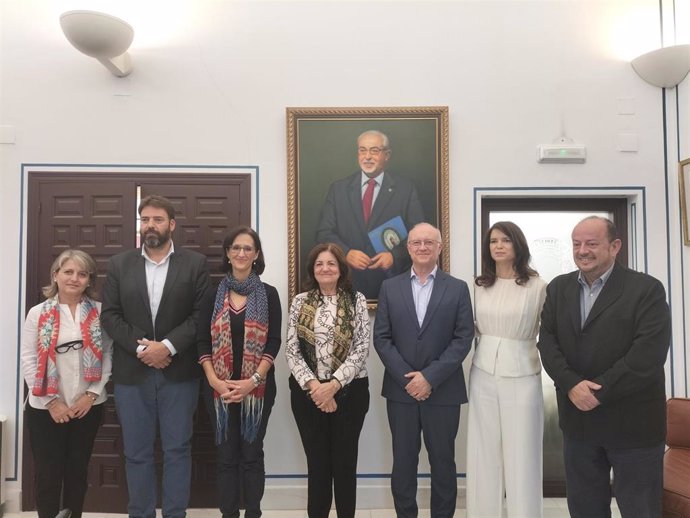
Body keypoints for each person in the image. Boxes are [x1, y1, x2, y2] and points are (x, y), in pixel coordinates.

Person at [537, 216, 671, 518]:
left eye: (592, 243)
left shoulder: (646, 289)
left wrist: (599, 392)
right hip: (579, 425)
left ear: (615, 246)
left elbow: (647, 355)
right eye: (577, 244)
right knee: (585, 509)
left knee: (640, 510)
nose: (582, 250)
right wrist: (572, 384)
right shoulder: (558, 289)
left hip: (633, 426)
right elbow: (547, 342)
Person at [101, 195, 210, 518]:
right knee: (136, 453)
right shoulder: (120, 264)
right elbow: (110, 316)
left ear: (171, 224)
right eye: (145, 219)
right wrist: (143, 349)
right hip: (132, 375)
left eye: (158, 219)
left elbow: (200, 314)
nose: (150, 225)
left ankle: (176, 514)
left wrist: (167, 347)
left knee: (178, 450)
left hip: (179, 375)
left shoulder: (195, 264)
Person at [374, 222, 474, 518]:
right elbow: (382, 338)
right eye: (416, 242)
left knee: (443, 463)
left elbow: (463, 337)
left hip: (443, 391)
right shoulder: (390, 287)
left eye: (429, 243)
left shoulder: (457, 288)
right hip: (401, 392)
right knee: (403, 462)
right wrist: (409, 379)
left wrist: (429, 377)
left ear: (439, 248)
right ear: (407, 248)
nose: (422, 248)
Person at [197, 226, 282, 518]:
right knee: (226, 458)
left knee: (251, 456)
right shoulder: (212, 295)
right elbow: (201, 341)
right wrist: (214, 381)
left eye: (248, 248)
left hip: (256, 390)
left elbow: (274, 341)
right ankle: (229, 514)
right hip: (217, 390)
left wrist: (252, 381)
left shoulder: (269, 295)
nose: (241, 253)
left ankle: (253, 513)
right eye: (236, 248)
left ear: (256, 254)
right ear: (228, 254)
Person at [21, 249, 113, 518]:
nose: (74, 278)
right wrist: (52, 402)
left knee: (76, 472)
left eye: (82, 274)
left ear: (89, 280)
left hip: (87, 406)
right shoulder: (38, 313)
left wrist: (92, 394)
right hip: (45, 408)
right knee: (48, 475)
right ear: (56, 275)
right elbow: (28, 358)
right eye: (68, 272)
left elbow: (108, 353)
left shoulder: (99, 312)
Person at [466, 221, 547, 518]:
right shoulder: (478, 285)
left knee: (522, 453)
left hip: (523, 373)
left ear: (518, 245)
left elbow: (548, 331)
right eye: (493, 241)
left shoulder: (537, 285)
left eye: (505, 240)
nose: (498, 246)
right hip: (483, 372)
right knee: (483, 451)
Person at [286, 243, 370, 518]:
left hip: (350, 393)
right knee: (318, 466)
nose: (325, 268)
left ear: (340, 269)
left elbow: (361, 349)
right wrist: (316, 389)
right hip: (308, 394)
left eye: (331, 263)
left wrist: (333, 386)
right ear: (312, 269)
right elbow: (291, 351)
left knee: (345, 466)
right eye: (319, 263)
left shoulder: (356, 300)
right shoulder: (300, 301)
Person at [316, 129, 424, 299]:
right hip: (346, 284)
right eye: (362, 150)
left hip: (390, 285)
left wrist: (394, 257)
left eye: (374, 150)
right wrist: (346, 253)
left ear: (387, 155)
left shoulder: (406, 189)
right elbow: (324, 233)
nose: (367, 156)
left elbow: (419, 235)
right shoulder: (338, 190)